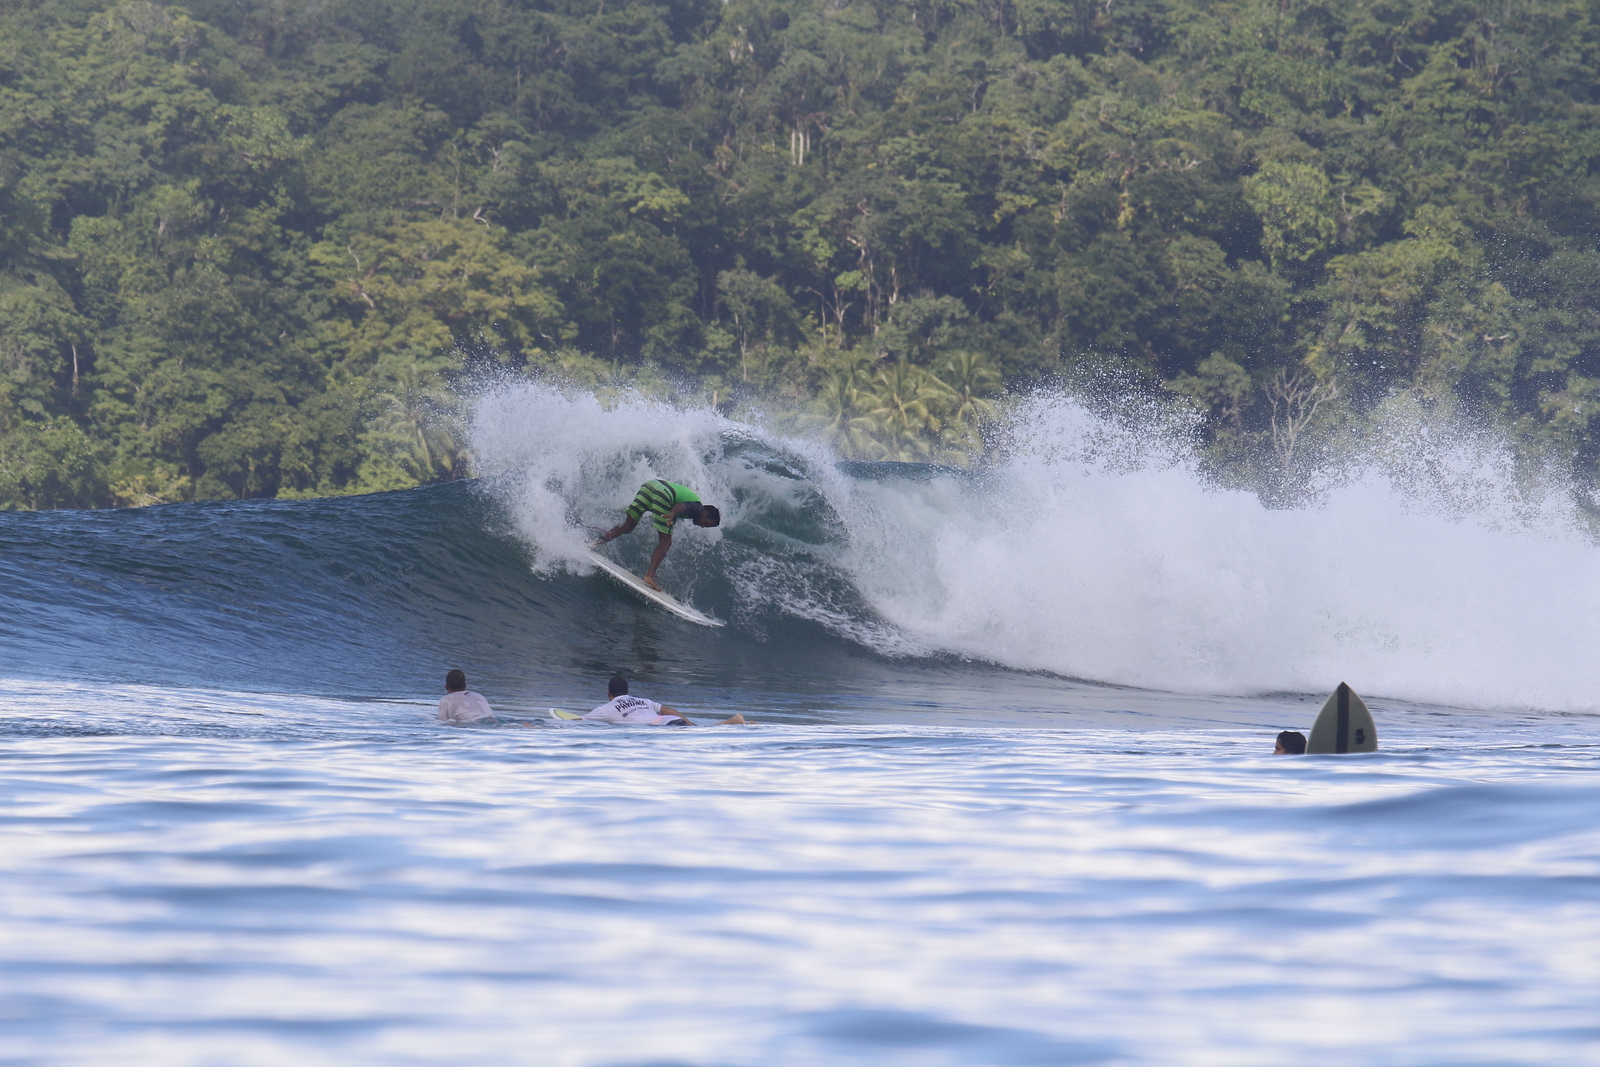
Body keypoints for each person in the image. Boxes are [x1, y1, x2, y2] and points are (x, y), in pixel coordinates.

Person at [595, 479, 720, 591]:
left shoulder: (693, 510)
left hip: (649, 486)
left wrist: (673, 516)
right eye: (705, 523)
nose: (702, 526)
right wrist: (672, 513)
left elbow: (679, 507)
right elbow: (681, 506)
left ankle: (596, 543)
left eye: (705, 526)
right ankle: (649, 576)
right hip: (663, 493)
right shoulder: (698, 507)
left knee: (628, 526)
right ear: (705, 512)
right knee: (666, 541)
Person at [583, 675, 746, 726]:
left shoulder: (606, 709)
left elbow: (578, 720)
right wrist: (689, 723)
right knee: (701, 731)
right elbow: (670, 711)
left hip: (663, 727)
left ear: (608, 694)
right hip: (671, 720)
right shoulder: (643, 700)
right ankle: (741, 723)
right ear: (627, 691)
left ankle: (734, 721)